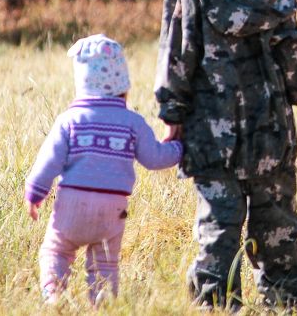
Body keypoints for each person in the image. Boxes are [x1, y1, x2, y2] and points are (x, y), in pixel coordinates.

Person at [155, 0, 297, 309]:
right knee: (276, 225)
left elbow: (176, 59)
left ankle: (214, 299)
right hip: (270, 138)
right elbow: (295, 72)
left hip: (209, 139)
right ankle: (284, 299)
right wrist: (285, 98)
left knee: (218, 226)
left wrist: (172, 114)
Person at [25, 33, 182, 305]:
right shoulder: (132, 122)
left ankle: (53, 299)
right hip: (113, 208)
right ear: (123, 82)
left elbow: (47, 161)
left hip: (72, 204)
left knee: (56, 252)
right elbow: (155, 158)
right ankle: (103, 305)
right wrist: (180, 148)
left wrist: (34, 193)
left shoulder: (69, 121)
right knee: (105, 267)